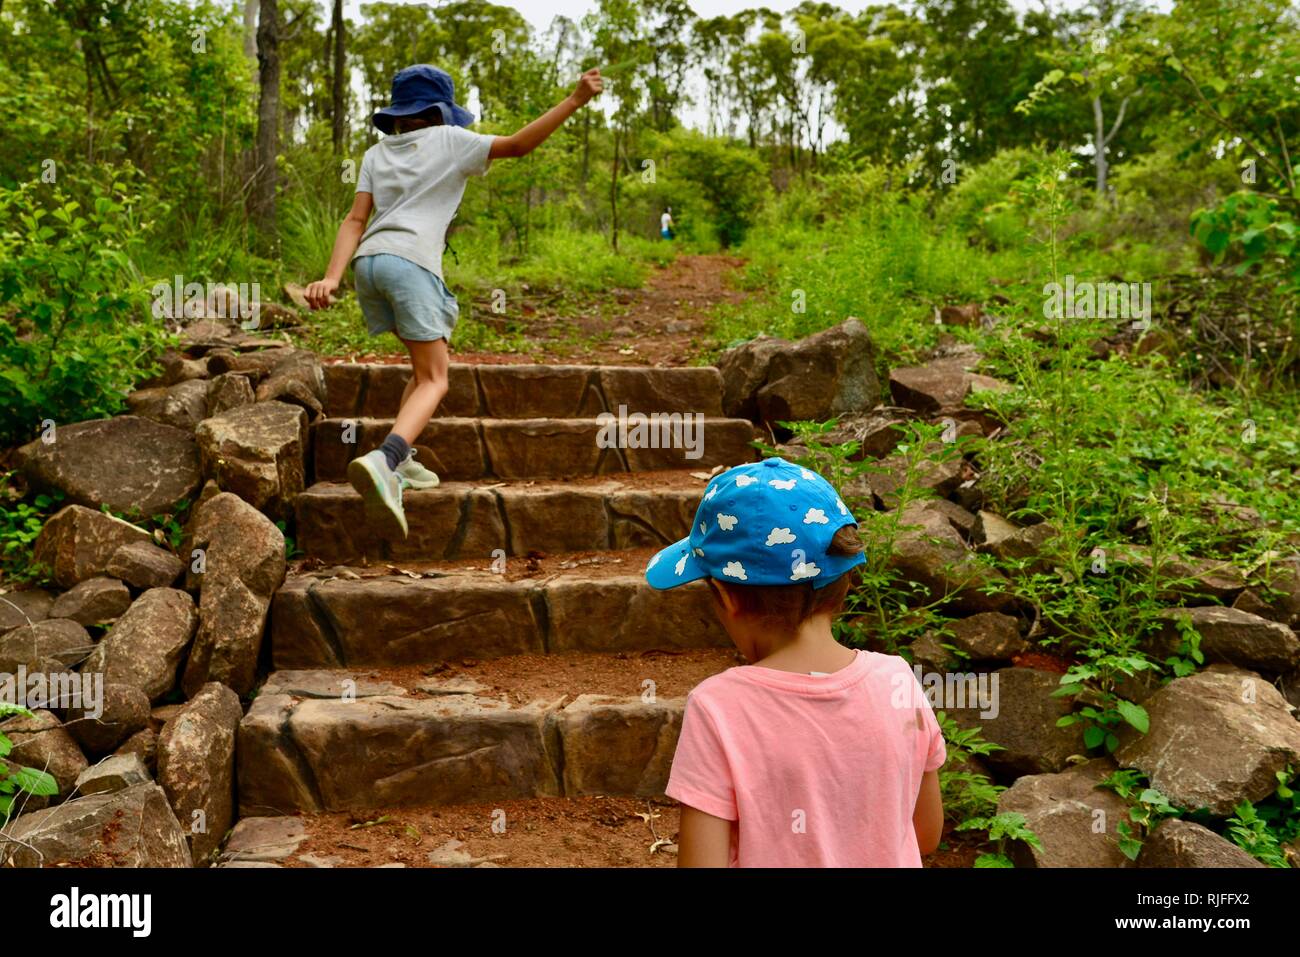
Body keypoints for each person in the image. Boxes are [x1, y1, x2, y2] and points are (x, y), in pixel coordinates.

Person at [305, 64, 603, 536]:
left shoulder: (376, 153)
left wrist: (331, 277)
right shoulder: (449, 140)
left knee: (420, 370)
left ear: (400, 115)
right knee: (437, 379)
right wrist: (573, 101)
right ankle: (386, 461)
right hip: (410, 265)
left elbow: (354, 220)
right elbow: (518, 145)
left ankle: (401, 461)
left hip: (370, 265)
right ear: (440, 111)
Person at [645, 458, 946, 867]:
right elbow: (925, 833)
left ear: (728, 597)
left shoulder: (719, 708)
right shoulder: (899, 682)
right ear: (842, 582)